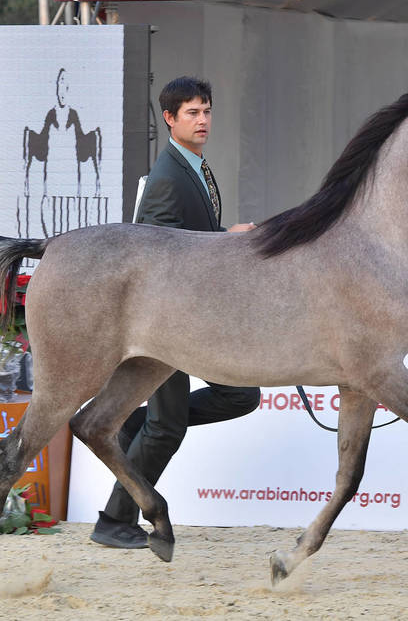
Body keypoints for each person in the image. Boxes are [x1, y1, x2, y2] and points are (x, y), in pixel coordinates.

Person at [90, 76, 261, 549]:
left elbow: (188, 238)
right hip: (163, 323)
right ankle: (114, 521)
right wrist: (225, 240)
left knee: (241, 395)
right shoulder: (168, 176)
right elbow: (159, 250)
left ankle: (133, 423)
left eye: (206, 111)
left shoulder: (193, 165)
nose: (203, 120)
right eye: (192, 113)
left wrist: (226, 237)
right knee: (166, 427)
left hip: (189, 318)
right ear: (169, 118)